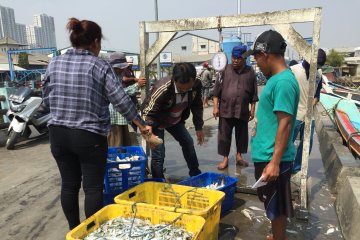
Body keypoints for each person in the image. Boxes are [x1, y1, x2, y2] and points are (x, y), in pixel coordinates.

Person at [42, 18, 157, 230]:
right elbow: (121, 100)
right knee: (93, 188)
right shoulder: (99, 65)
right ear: (95, 42)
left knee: (69, 186)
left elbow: (46, 98)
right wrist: (141, 125)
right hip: (88, 136)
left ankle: (74, 230)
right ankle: (91, 233)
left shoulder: (55, 62)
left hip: (58, 134)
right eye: (100, 42)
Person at [247, 30, 300, 240]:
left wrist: (275, 162)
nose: (257, 63)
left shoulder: (284, 82)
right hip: (267, 154)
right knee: (272, 203)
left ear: (265, 54)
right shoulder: (276, 79)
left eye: (257, 58)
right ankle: (277, 234)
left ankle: (279, 237)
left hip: (273, 157)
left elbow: (285, 124)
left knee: (276, 206)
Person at [142, 62, 204, 178]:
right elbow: (148, 111)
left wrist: (199, 127)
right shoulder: (162, 87)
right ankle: (158, 181)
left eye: (188, 88)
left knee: (188, 142)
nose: (184, 91)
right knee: (159, 153)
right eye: (181, 89)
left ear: (193, 80)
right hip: (156, 121)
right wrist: (148, 130)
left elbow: (197, 105)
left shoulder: (196, 84)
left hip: (175, 120)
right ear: (174, 80)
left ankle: (196, 175)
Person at [213, 45, 258, 170]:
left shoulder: (250, 72)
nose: (235, 60)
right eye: (233, 57)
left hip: (242, 110)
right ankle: (225, 159)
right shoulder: (224, 70)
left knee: (242, 135)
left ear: (244, 59)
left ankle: (239, 157)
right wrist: (215, 107)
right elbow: (216, 92)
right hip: (225, 109)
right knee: (224, 135)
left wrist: (252, 110)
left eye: (238, 58)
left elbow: (254, 94)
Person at [290, 49, 327, 173]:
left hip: (308, 116)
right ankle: (284, 166)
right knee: (287, 142)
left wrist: (313, 102)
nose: (316, 68)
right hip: (294, 115)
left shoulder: (318, 74)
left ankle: (297, 168)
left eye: (318, 66)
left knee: (307, 143)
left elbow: (317, 94)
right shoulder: (294, 70)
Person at [107, 52, 146, 147]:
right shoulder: (109, 77)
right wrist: (137, 85)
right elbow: (120, 94)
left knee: (125, 145)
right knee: (116, 145)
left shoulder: (118, 75)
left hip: (121, 117)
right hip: (113, 118)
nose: (122, 69)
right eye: (120, 67)